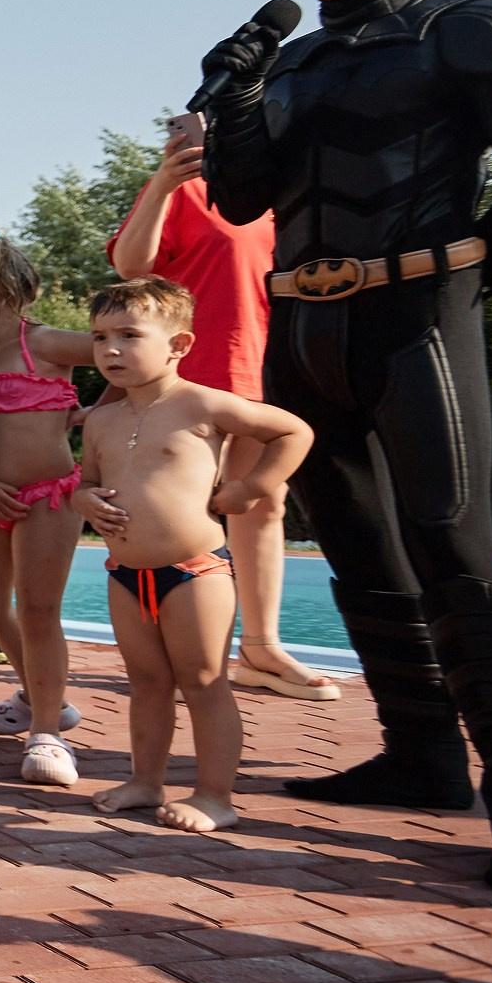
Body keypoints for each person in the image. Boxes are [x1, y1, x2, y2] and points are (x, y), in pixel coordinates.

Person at [200, 0, 492, 888]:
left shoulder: (459, 26)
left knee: (452, 548)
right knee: (357, 547)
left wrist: (473, 264)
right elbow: (243, 202)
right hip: (301, 322)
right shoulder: (290, 62)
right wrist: (229, 96)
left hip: (418, 311)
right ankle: (419, 756)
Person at [74, 278, 312, 833]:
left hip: (194, 571)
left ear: (177, 345)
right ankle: (145, 781)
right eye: (100, 337)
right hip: (125, 574)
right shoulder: (101, 421)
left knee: (204, 681)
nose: (111, 349)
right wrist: (82, 497)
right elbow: (86, 481)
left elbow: (292, 432)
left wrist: (251, 488)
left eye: (130, 335)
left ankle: (214, 795)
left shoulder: (200, 403)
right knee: (147, 683)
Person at [109, 113, 331, 701]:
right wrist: (162, 181)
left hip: (262, 360)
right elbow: (131, 267)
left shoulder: (279, 198)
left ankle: (260, 651)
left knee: (263, 502)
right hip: (186, 377)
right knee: (178, 509)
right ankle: (181, 656)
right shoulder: (183, 190)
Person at [0, 224, 96, 786]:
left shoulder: (48, 343)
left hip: (49, 497)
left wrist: (102, 419)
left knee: (37, 609)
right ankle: (39, 698)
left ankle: (49, 734)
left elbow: (128, 353)